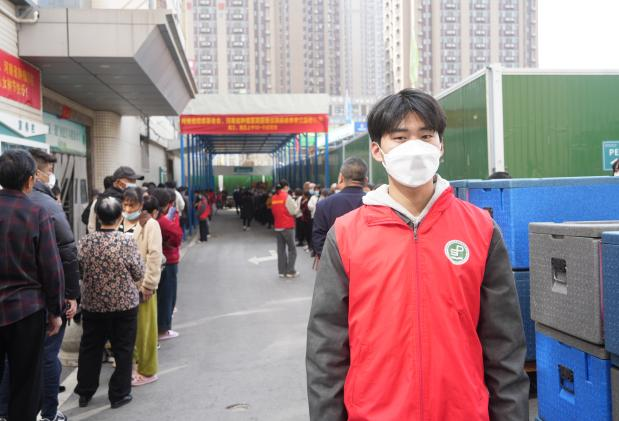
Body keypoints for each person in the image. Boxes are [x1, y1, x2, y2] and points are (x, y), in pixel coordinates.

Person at [306, 88, 529, 420]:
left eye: (425, 136)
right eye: (400, 137)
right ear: (377, 150)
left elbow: (504, 346)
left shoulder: (480, 229)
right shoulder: (346, 234)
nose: (414, 147)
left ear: (440, 146)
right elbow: (326, 349)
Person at [0, 150, 64, 421]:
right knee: (26, 382)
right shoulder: (37, 213)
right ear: (29, 180)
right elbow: (51, 267)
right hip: (27, 312)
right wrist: (55, 311)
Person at [75, 196, 144, 409]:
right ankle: (119, 394)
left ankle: (85, 392)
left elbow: (80, 270)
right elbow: (138, 272)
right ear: (120, 217)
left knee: (90, 348)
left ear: (98, 217)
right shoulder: (126, 242)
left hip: (93, 304)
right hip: (124, 305)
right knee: (123, 349)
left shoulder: (86, 242)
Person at [28, 149, 80, 421]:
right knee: (48, 355)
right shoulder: (48, 206)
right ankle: (49, 413)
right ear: (36, 173)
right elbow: (67, 252)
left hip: (11, 303)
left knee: (12, 358)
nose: (52, 175)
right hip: (45, 297)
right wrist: (71, 295)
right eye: (49, 170)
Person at [121, 189, 163, 387]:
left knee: (146, 331)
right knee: (133, 330)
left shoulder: (151, 225)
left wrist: (149, 285)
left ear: (141, 205)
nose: (128, 209)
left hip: (143, 286)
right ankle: (135, 366)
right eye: (125, 204)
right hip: (127, 286)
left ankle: (148, 371)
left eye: (132, 205)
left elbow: (154, 256)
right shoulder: (126, 222)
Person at [311, 158, 368, 259]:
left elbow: (319, 241)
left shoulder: (323, 205)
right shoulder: (376, 204)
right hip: (368, 263)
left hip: (335, 264)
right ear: (366, 180)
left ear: (341, 178)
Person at [150, 189, 183, 341]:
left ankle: (158, 327)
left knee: (160, 296)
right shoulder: (163, 221)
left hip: (156, 260)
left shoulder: (149, 219)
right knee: (166, 295)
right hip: (167, 259)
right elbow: (177, 236)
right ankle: (162, 329)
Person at [88, 167, 143, 234]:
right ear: (117, 182)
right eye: (130, 180)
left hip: (100, 239)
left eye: (134, 181)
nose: (134, 184)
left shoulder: (98, 200)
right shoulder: (126, 203)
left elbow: (91, 227)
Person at [271, 180, 299, 278]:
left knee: (281, 250)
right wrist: (297, 207)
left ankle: (282, 271)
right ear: (286, 187)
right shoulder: (287, 197)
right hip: (287, 226)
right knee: (292, 249)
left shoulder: (274, 197)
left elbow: (273, 211)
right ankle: (290, 271)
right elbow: (293, 211)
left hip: (278, 226)